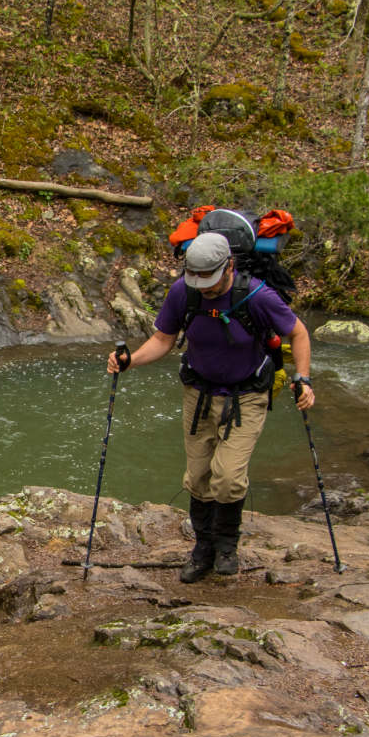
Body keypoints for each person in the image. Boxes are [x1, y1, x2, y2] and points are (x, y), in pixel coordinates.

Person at [107, 231, 315, 583]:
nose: (203, 287)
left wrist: (303, 378)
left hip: (247, 395)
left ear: (229, 266)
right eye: (197, 279)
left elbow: (299, 333)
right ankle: (203, 549)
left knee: (229, 478)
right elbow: (163, 339)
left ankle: (227, 546)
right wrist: (131, 362)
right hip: (198, 393)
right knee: (199, 476)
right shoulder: (183, 293)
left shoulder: (258, 296)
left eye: (210, 279)